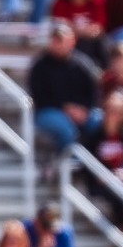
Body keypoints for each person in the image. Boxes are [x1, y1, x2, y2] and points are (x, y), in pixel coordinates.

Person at [30, 21, 100, 153]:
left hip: (82, 111)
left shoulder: (83, 65)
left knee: (98, 121)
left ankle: (94, 160)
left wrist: (83, 110)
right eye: (55, 40)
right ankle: (67, 162)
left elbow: (93, 93)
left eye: (61, 40)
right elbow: (39, 97)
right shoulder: (40, 66)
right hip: (48, 111)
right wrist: (65, 109)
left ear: (72, 41)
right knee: (65, 130)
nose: (57, 44)